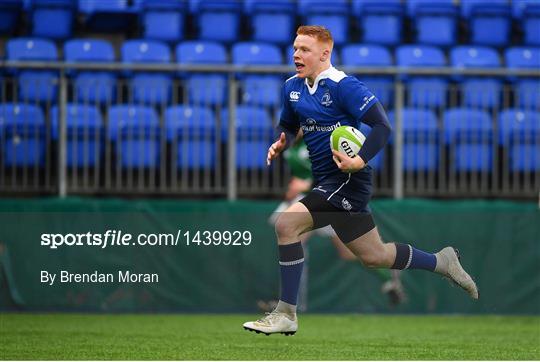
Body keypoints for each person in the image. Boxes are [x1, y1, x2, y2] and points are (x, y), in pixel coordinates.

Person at [243, 25, 478, 336]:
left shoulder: (344, 86)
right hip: (327, 181)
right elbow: (288, 125)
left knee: (287, 224)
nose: (296, 55)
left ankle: (286, 313)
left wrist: (359, 160)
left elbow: (382, 126)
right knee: (374, 256)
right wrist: (281, 141)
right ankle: (441, 261)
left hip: (349, 178)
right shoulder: (292, 87)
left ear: (324, 53)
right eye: (295, 48)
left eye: (305, 50)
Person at [265, 138, 406, 311]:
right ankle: (286, 301)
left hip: (326, 199)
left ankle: (387, 269)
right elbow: (300, 174)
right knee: (295, 241)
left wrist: (306, 184)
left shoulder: (317, 141)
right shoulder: (289, 147)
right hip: (306, 200)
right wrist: (294, 188)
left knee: (349, 252)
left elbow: (334, 172)